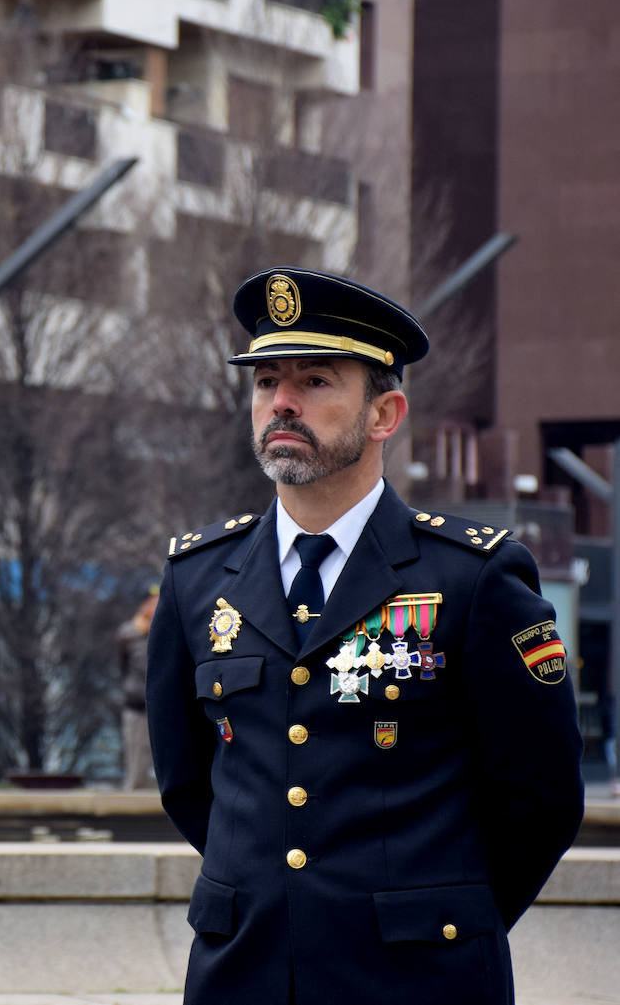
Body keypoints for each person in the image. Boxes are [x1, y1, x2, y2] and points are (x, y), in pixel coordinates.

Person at [146, 267, 584, 1005]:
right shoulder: (199, 577)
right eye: (264, 384)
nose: (280, 402)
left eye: (315, 381)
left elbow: (540, 795)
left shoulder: (471, 577)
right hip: (242, 975)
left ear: (385, 413)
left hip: (418, 980)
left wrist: (441, 912)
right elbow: (188, 782)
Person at [117, 587, 157, 789]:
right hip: (136, 702)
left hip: (159, 703)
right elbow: (122, 666)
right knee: (136, 756)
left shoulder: (163, 629)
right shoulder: (128, 633)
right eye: (152, 601)